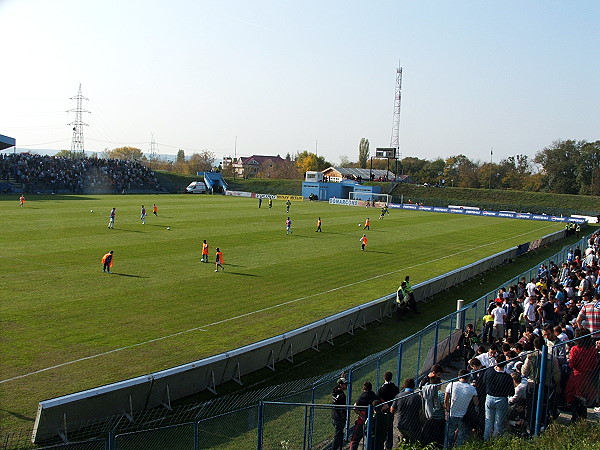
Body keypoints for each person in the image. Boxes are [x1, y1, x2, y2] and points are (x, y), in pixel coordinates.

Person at [482, 354, 514, 440]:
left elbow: (484, 381)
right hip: (501, 399)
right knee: (498, 423)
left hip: (489, 397)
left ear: (496, 362)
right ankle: (495, 441)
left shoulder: (489, 371)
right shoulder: (507, 377)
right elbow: (511, 392)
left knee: (488, 421)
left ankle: (486, 440)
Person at [444, 369, 479, 448]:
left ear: (458, 376)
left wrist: (447, 410)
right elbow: (476, 403)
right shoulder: (472, 389)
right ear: (468, 377)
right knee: (461, 437)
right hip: (463, 416)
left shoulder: (451, 385)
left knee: (448, 436)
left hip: (452, 414)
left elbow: (446, 400)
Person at [390, 378, 422, 446]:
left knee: (403, 444)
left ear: (404, 386)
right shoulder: (417, 397)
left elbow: (392, 410)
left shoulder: (398, 396)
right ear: (413, 386)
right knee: (414, 444)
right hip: (414, 425)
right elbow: (421, 411)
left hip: (401, 425)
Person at [349, 381, 379, 450]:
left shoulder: (363, 396)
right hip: (372, 420)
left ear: (364, 389)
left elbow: (355, 407)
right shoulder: (374, 395)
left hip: (362, 420)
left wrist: (361, 415)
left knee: (355, 439)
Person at [377, 372, 399, 450]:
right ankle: (389, 446)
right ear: (391, 378)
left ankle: (381, 445)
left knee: (382, 429)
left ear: (384, 378)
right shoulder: (395, 388)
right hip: (391, 410)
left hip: (383, 411)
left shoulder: (381, 389)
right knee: (390, 428)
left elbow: (378, 400)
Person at [331, 377, 348, 450]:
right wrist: (343, 417)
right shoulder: (342, 395)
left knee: (340, 434)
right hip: (339, 418)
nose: (346, 385)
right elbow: (342, 408)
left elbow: (336, 387)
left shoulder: (334, 391)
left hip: (334, 416)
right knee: (338, 435)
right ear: (340, 385)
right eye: (345, 384)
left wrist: (342, 377)